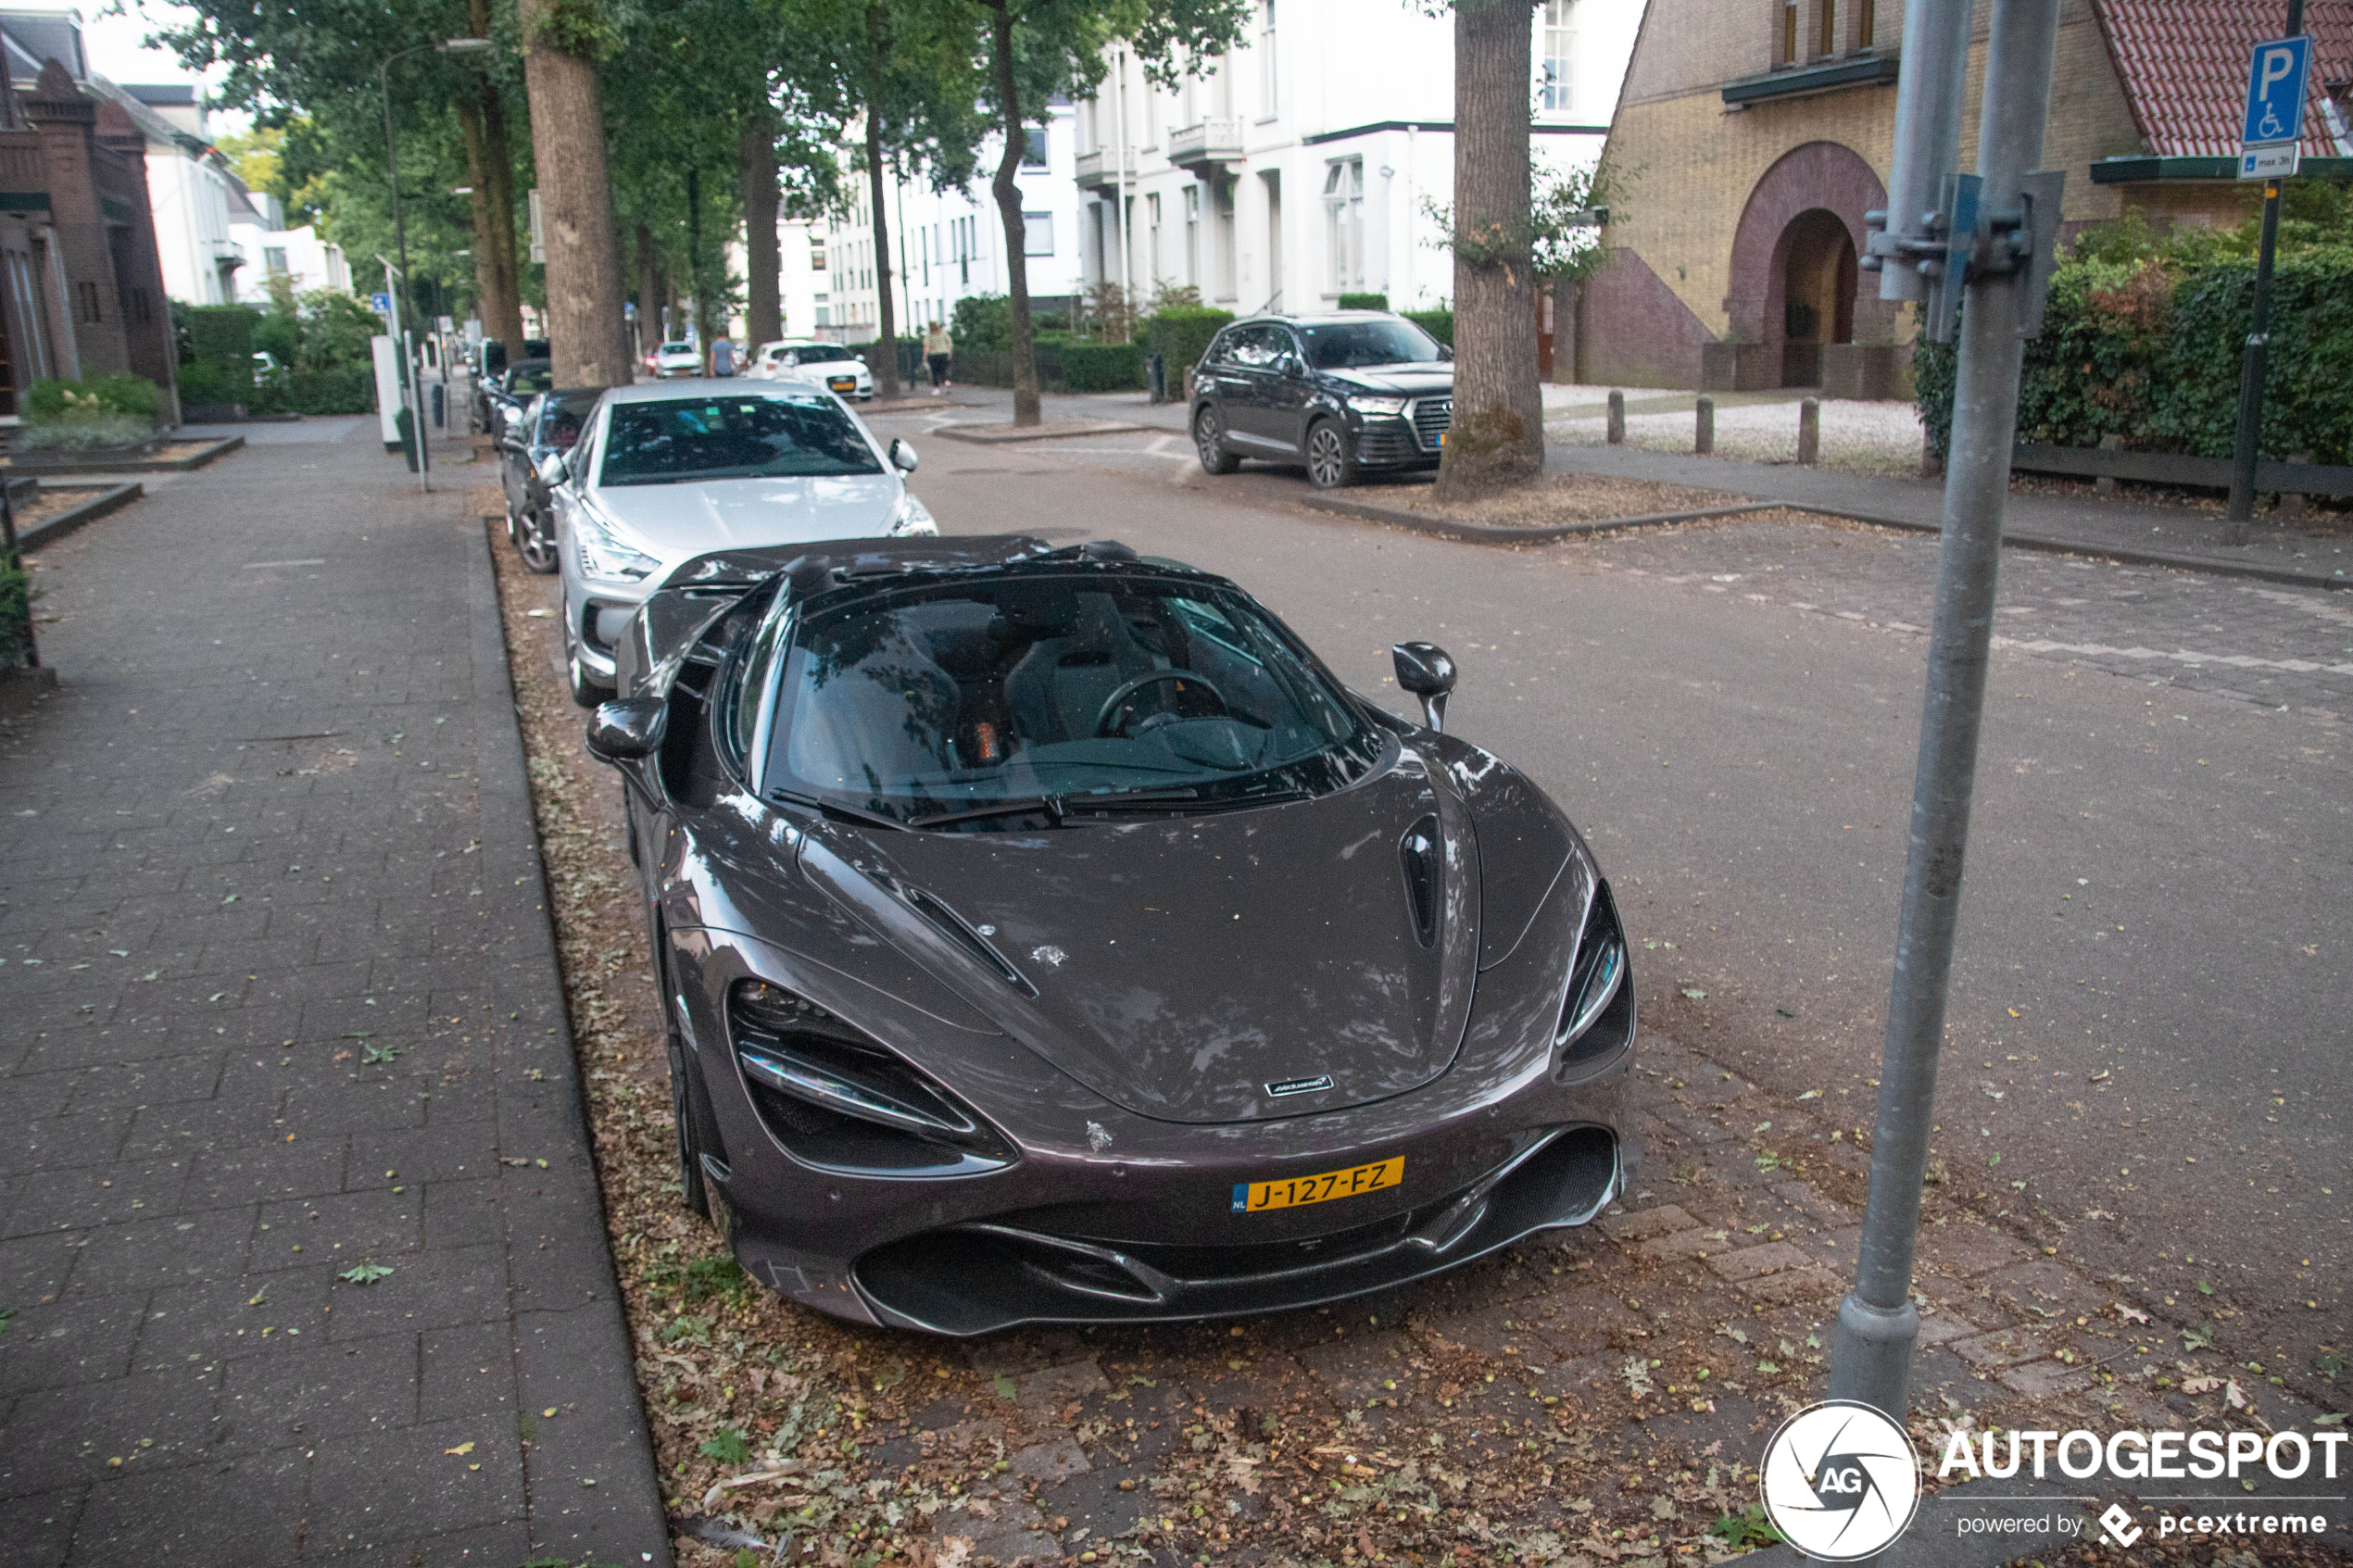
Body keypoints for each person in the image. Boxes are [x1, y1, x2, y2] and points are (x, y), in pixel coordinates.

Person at [924, 320, 953, 395]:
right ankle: (947, 382)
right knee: (943, 370)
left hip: (933, 355)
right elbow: (949, 342)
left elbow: (926, 346)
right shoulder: (943, 334)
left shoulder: (929, 335)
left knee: (935, 372)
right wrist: (949, 351)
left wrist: (924, 356)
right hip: (944, 354)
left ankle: (936, 389)